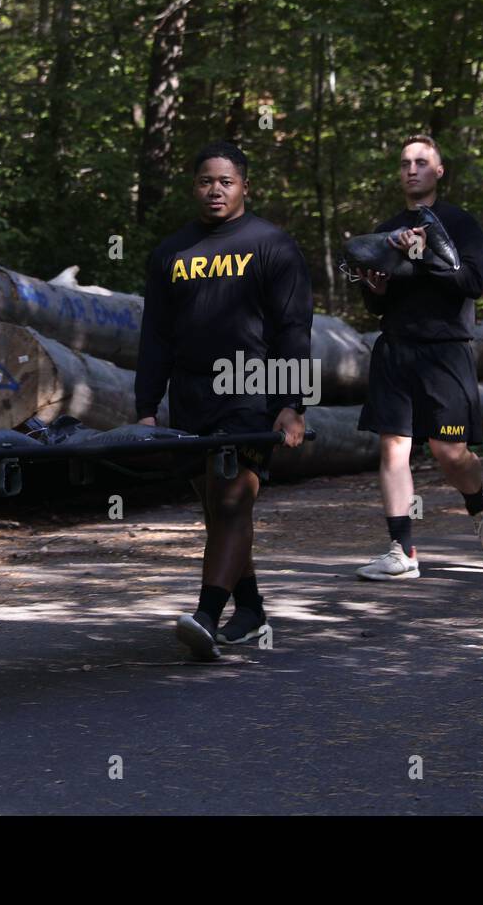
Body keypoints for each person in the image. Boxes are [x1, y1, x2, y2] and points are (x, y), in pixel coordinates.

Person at [135, 141, 311, 659]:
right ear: (195, 187)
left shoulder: (273, 245)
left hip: (250, 393)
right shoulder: (171, 252)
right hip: (191, 398)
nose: (215, 190)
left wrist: (292, 402)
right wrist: (148, 405)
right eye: (206, 181)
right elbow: (156, 337)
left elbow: (293, 328)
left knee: (233, 498)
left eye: (226, 181)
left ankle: (207, 614)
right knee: (217, 509)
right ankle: (251, 607)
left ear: (244, 187)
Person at [355, 135, 483, 581]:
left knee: (449, 451)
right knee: (393, 446)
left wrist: (424, 255)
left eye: (421, 162)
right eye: (404, 162)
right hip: (396, 348)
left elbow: (472, 283)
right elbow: (377, 304)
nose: (411, 169)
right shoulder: (386, 229)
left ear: (438, 171)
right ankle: (401, 551)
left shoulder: (460, 224)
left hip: (446, 351)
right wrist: (376, 288)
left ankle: (479, 508)